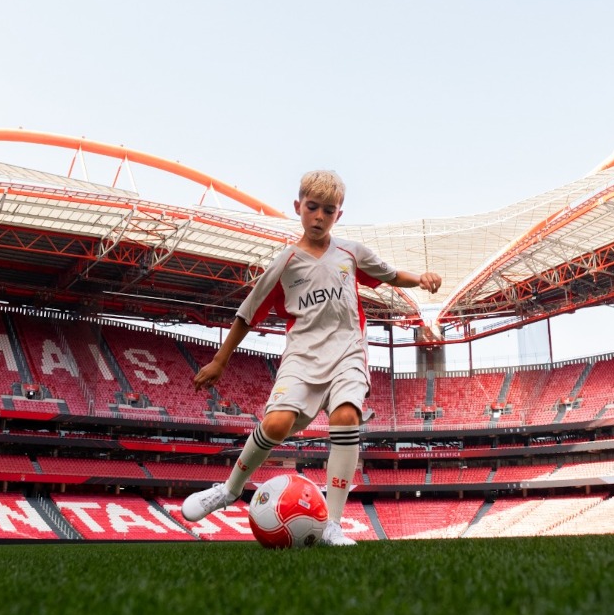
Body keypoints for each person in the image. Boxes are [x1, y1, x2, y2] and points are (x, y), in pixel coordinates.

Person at [182, 170, 442, 546]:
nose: (319, 216)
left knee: (346, 415)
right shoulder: (286, 262)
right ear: (298, 208)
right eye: (312, 208)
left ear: (339, 214)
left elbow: (389, 274)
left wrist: (420, 278)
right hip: (302, 358)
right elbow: (247, 313)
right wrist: (221, 360)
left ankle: (333, 524)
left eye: (328, 210)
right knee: (275, 425)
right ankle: (229, 490)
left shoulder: (351, 253)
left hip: (348, 353)